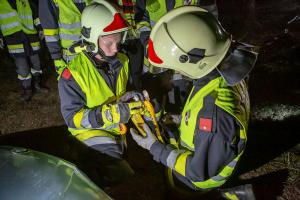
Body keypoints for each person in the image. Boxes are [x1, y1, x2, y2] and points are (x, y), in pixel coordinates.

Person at [130, 6, 258, 197]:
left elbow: (198, 172)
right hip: (209, 152)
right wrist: (180, 120)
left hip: (196, 183)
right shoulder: (218, 76)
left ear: (195, 61)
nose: (176, 73)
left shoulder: (213, 112)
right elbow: (208, 124)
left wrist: (154, 147)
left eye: (175, 68)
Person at [58, 0, 145, 182]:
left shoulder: (122, 60)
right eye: (109, 42)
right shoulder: (72, 74)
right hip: (90, 135)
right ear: (92, 39)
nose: (116, 48)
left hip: (116, 132)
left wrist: (131, 97)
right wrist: (109, 115)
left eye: (119, 40)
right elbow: (72, 118)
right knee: (121, 178)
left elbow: (119, 91)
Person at [135, 0, 219, 115]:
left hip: (185, 65)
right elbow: (141, 20)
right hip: (156, 63)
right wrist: (149, 45)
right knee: (153, 107)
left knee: (182, 109)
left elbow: (209, 21)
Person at [0, 0, 48, 102]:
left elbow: (36, 14)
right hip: (13, 39)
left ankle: (37, 84)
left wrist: (40, 28)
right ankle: (27, 90)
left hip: (31, 36)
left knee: (36, 63)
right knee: (22, 67)